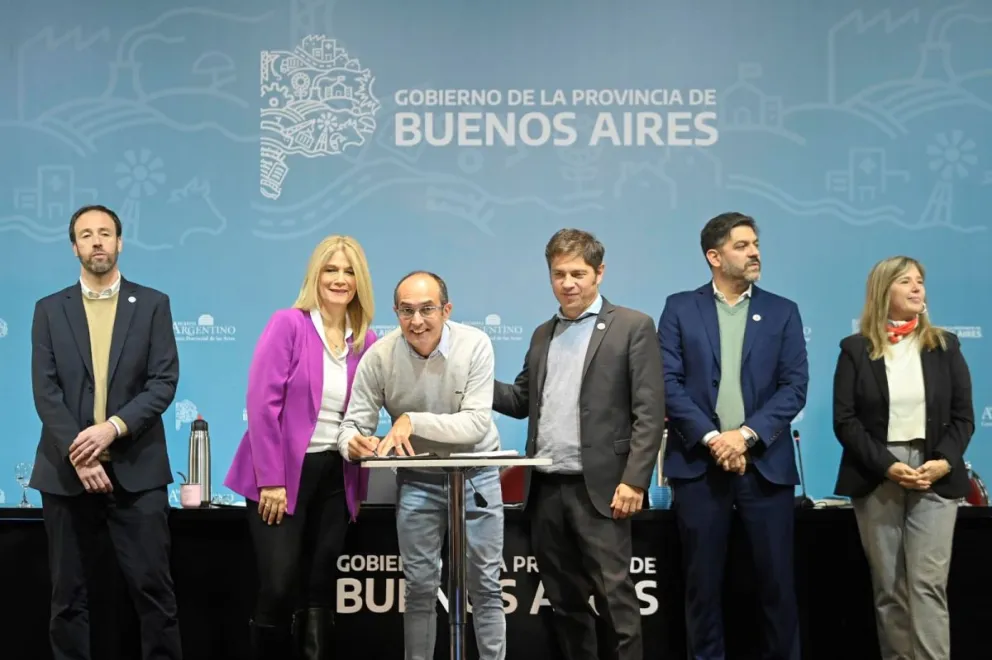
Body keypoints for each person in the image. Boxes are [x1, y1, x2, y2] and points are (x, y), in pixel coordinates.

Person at [493, 228, 665, 660]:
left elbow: (649, 411)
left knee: (617, 601)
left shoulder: (633, 326)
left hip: (604, 489)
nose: (567, 283)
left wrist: (635, 481)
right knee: (565, 602)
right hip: (547, 490)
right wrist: (468, 380)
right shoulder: (541, 334)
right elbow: (519, 401)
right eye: (558, 274)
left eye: (577, 273)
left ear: (599, 273)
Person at [29, 204, 182, 660]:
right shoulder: (49, 310)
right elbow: (45, 390)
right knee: (67, 600)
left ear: (119, 242)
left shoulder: (153, 304)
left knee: (155, 595)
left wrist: (111, 430)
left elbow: (163, 382)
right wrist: (82, 453)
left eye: (105, 233)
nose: (96, 241)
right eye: (86, 234)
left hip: (138, 472)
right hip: (66, 475)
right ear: (74, 246)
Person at [658, 211, 808, 660]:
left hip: (765, 471)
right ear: (714, 256)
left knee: (777, 590)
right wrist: (712, 439)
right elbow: (668, 383)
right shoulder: (680, 307)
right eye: (742, 245)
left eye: (755, 243)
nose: (754, 252)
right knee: (702, 591)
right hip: (700, 469)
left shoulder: (783, 311)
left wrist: (744, 436)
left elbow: (794, 387)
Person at [337, 271, 505, 660]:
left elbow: (477, 423)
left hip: (477, 474)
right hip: (418, 479)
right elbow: (351, 425)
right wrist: (353, 444)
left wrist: (413, 420)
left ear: (446, 310)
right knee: (419, 589)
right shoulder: (380, 356)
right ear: (395, 312)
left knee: (486, 586)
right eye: (407, 311)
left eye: (427, 309)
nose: (417, 321)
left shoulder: (475, 344)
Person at [224, 235, 378, 660]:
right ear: (316, 274)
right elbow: (261, 405)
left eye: (350, 271)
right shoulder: (289, 324)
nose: (340, 279)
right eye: (331, 269)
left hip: (336, 475)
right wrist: (271, 480)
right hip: (282, 477)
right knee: (278, 584)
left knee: (319, 587)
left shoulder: (366, 340)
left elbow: (366, 411)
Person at [832, 256, 973, 660]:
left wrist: (945, 460)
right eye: (905, 281)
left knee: (927, 583)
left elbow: (964, 416)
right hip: (879, 472)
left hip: (936, 471)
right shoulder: (855, 349)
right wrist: (887, 465)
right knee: (889, 587)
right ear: (883, 291)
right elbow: (845, 420)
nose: (917, 288)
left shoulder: (945, 345)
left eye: (920, 282)